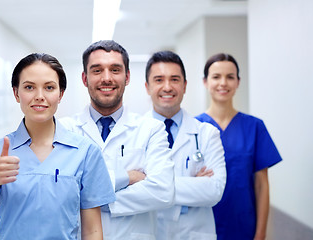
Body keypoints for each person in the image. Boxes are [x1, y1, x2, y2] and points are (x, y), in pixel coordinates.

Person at [0, 53, 115, 240]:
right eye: (29, 87)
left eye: (49, 87)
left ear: (60, 94)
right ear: (16, 93)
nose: (39, 96)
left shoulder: (85, 152)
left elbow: (92, 231)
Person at [59, 40, 175, 240]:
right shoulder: (64, 130)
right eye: (97, 71)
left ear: (127, 76)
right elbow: (60, 193)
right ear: (84, 78)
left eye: (115, 70)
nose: (106, 78)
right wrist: (127, 178)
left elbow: (164, 191)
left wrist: (89, 198)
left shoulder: (151, 130)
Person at [196, 53, 282, 240]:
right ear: (205, 82)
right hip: (201, 226)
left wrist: (260, 234)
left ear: (238, 82)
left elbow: (262, 185)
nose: (223, 83)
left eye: (230, 77)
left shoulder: (254, 127)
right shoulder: (193, 128)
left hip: (244, 226)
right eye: (216, 77)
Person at [144, 50, 226, 240]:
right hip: (149, 232)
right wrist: (195, 184)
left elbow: (214, 190)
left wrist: (150, 183)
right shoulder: (132, 134)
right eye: (159, 80)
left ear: (185, 85)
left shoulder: (207, 133)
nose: (167, 87)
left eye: (174, 79)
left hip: (195, 233)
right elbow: (126, 191)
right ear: (147, 87)